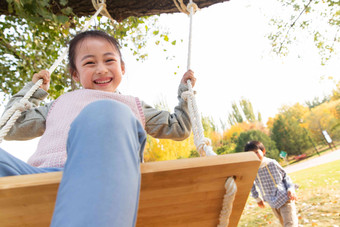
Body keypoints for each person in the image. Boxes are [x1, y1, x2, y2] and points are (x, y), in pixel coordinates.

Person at [0, 30, 196, 226]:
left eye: (109, 60)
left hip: (107, 177)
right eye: (89, 63)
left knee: (108, 112)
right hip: (40, 179)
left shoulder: (132, 105)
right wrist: (32, 92)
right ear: (75, 74)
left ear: (122, 68)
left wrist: (185, 94)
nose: (101, 69)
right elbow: (11, 125)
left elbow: (178, 127)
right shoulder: (58, 104)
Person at [244, 140, 298, 227]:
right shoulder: (252, 169)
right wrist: (257, 198)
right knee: (284, 223)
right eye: (252, 154)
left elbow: (285, 176)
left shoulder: (271, 163)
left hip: (284, 197)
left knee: (290, 224)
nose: (255, 156)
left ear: (263, 151)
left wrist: (290, 188)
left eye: (257, 152)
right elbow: (251, 185)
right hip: (271, 201)